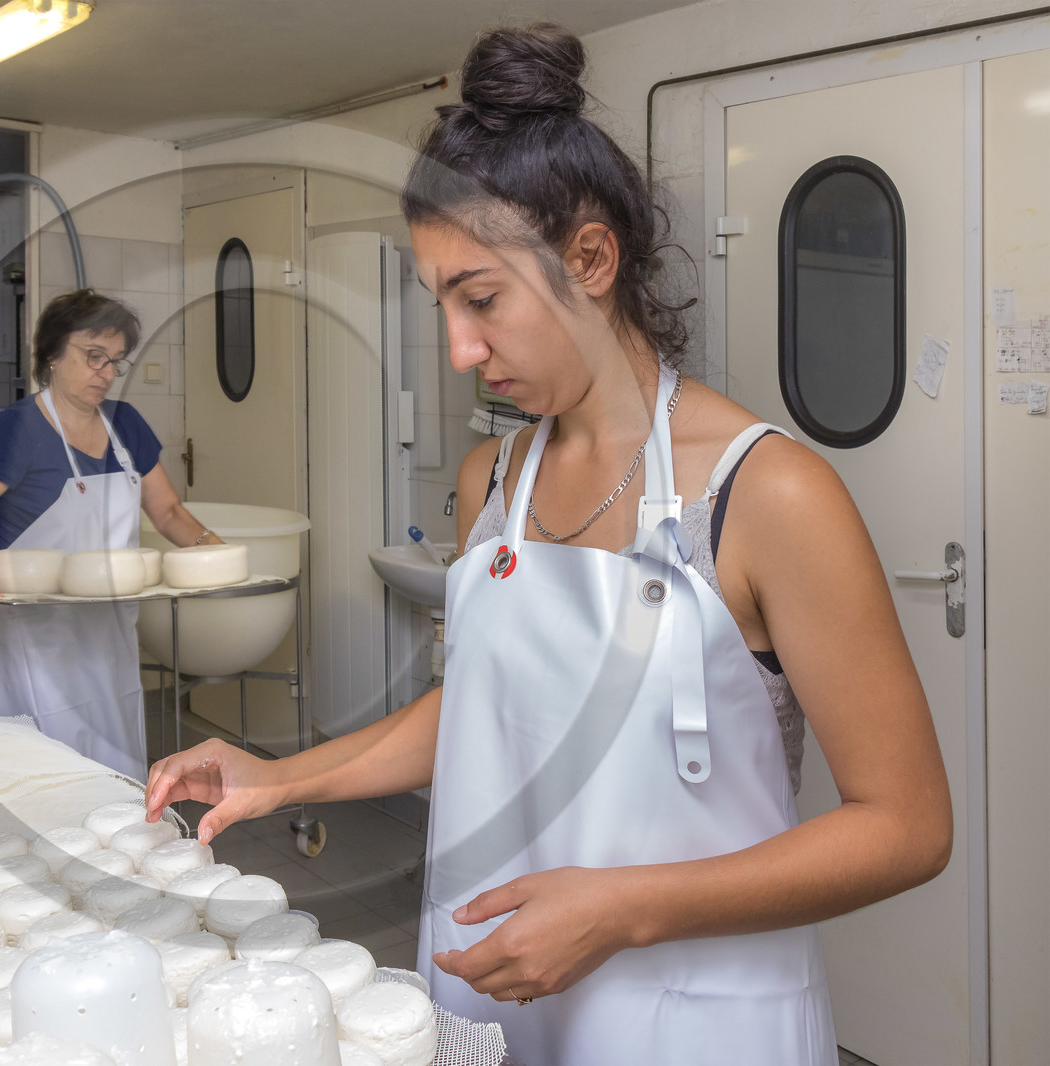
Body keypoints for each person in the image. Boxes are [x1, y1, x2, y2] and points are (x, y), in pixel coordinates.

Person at [143, 23, 951, 1065]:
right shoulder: (497, 482)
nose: (459, 349)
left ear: (591, 259)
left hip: (697, 1014)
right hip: (497, 991)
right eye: (442, 304)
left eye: (481, 299)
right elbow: (481, 705)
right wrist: (279, 778)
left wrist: (624, 910)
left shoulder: (770, 494)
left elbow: (905, 824)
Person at [0, 290, 221, 780]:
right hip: (40, 636)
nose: (105, 373)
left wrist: (215, 551)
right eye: (92, 357)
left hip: (108, 630)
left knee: (117, 760)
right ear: (52, 355)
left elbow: (167, 511)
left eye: (115, 362)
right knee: (49, 769)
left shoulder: (126, 425)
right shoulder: (13, 430)